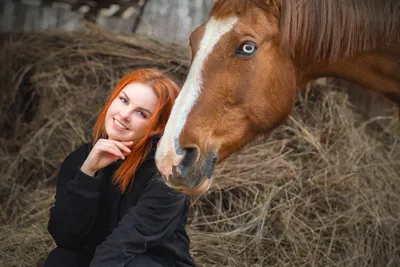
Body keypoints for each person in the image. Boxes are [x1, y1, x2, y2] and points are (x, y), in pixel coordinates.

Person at [43, 68, 196, 267]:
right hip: (100, 257)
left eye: (141, 113)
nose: (124, 115)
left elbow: (125, 244)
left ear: (158, 127)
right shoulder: (80, 159)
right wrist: (88, 173)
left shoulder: (167, 173)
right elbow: (66, 237)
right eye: (123, 100)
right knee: (62, 259)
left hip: (151, 262)